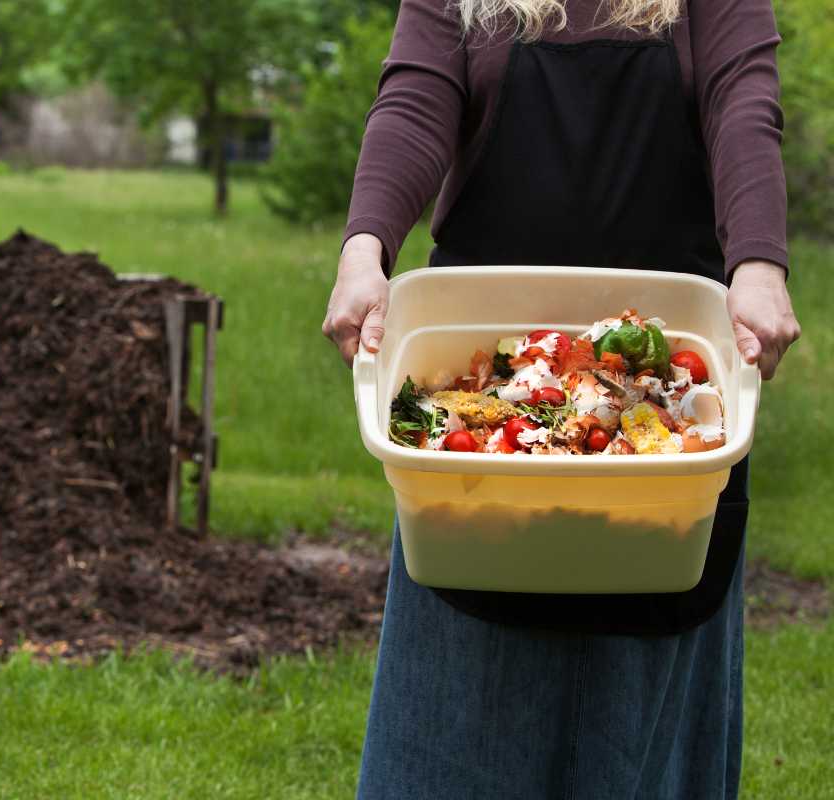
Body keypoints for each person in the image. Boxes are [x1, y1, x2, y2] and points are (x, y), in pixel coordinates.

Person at [321, 0, 802, 797]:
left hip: (666, 386)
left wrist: (758, 265)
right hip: (489, 389)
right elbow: (413, 101)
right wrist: (363, 249)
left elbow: (742, 101)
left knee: (639, 690)